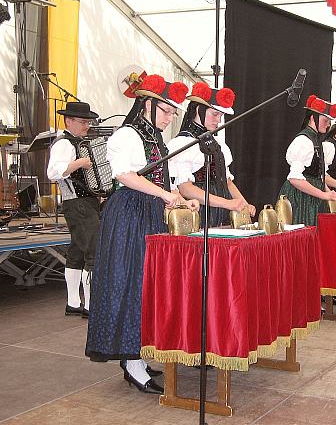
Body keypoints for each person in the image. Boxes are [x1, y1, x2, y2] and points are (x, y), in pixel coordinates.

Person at [85, 74, 198, 395]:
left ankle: (140, 352)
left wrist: (178, 195)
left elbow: (162, 179)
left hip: (150, 214)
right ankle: (130, 360)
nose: (170, 117)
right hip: (129, 215)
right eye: (166, 111)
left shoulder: (156, 138)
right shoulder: (126, 134)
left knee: (150, 285)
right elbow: (125, 175)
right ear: (147, 104)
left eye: (174, 113)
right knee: (131, 283)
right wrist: (165, 196)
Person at [167, 81, 255, 227]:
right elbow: (185, 188)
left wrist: (243, 204)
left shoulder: (218, 144)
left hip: (223, 211)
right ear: (198, 110)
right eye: (215, 114)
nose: (219, 120)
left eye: (220, 115)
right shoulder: (182, 144)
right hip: (199, 212)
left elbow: (227, 182)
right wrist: (228, 203)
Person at [47, 101, 100, 319]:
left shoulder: (77, 143)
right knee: (92, 251)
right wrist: (80, 163)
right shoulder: (64, 144)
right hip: (77, 202)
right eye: (83, 121)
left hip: (83, 201)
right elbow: (54, 172)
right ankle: (89, 305)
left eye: (88, 121)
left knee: (77, 251)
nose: (87, 125)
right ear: (69, 121)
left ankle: (73, 302)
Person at [278, 94, 336, 227]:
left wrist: (328, 192)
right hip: (300, 199)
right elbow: (294, 179)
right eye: (325, 120)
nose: (328, 125)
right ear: (313, 118)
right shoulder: (303, 141)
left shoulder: (317, 141)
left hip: (312, 199)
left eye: (329, 121)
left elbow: (317, 177)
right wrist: (324, 195)